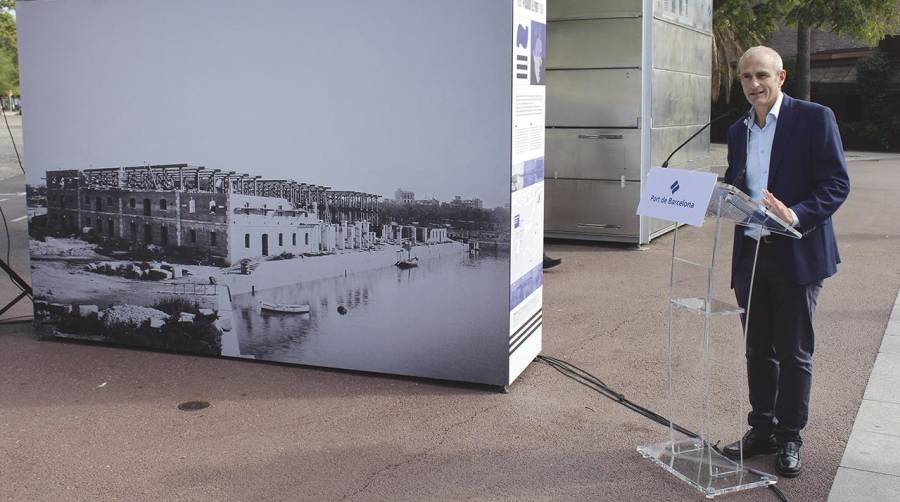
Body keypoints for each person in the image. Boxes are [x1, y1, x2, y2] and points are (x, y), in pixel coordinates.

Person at [720, 46, 849, 478]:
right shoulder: (739, 130)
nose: (754, 85)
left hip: (797, 249)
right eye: (746, 78)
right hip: (751, 252)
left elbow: (836, 184)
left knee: (794, 352)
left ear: (781, 76)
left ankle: (791, 435)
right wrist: (722, 198)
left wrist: (793, 214)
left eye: (762, 76)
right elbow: (740, 182)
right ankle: (762, 429)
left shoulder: (814, 118)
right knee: (757, 348)